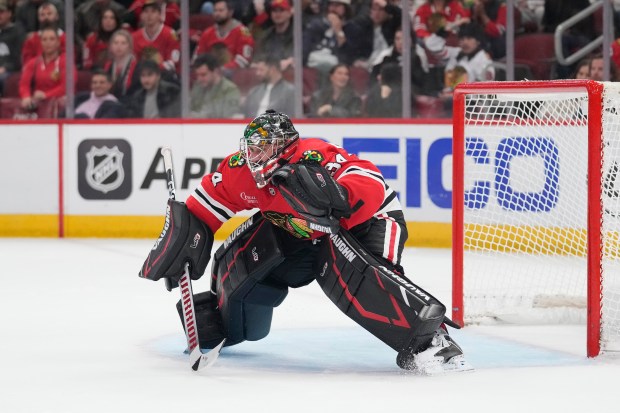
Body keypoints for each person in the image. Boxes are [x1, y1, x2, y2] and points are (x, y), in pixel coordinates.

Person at [138, 109, 473, 374]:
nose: (254, 157)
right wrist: (184, 240)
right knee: (247, 254)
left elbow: (369, 179)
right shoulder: (240, 172)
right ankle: (220, 320)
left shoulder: (313, 156)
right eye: (250, 148)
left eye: (263, 148)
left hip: (368, 221)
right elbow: (204, 206)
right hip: (304, 232)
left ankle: (432, 341)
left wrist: (338, 197)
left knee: (367, 278)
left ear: (285, 146)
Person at [19, 27, 74, 110]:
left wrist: (46, 95)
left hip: (61, 105)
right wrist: (26, 96)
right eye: (44, 40)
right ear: (41, 43)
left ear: (58, 42)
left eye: (52, 39)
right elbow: (24, 84)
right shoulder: (33, 63)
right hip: (38, 104)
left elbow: (67, 87)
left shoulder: (66, 62)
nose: (48, 42)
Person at [192, 0, 255, 73]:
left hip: (235, 76)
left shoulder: (242, 32)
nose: (217, 14)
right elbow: (198, 56)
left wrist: (221, 70)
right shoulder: (207, 33)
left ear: (230, 12)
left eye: (221, 10)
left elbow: (244, 60)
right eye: (215, 10)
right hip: (209, 76)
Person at [131, 0, 180, 73]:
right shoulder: (134, 37)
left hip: (166, 76)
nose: (149, 15)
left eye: (153, 11)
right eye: (146, 12)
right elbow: (133, 62)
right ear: (141, 16)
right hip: (142, 76)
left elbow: (174, 62)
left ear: (160, 15)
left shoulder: (171, 34)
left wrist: (154, 69)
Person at [190, 53, 241, 118]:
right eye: (197, 75)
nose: (199, 79)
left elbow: (227, 116)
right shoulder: (197, 87)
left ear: (215, 71)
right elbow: (189, 110)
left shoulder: (230, 90)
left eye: (203, 75)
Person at [21, 1, 65, 65]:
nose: (46, 17)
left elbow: (68, 60)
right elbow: (27, 61)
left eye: (49, 14)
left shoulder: (65, 38)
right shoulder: (31, 40)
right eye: (42, 15)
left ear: (57, 16)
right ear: (38, 18)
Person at [254, 0, 294, 71]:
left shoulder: (297, 35)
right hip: (267, 75)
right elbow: (257, 59)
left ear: (289, 13)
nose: (277, 14)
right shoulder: (265, 36)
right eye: (274, 11)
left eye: (281, 10)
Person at [103, 29, 142, 101]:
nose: (119, 46)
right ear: (111, 46)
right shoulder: (108, 65)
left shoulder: (137, 67)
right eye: (115, 43)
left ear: (129, 46)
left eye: (123, 43)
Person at [0, 1, 25, 90]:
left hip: (9, 70)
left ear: (9, 13)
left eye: (1, 12)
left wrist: (5, 68)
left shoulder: (17, 32)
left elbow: (19, 58)